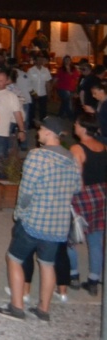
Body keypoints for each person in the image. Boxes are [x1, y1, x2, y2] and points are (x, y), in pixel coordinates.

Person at [0, 116, 82, 323]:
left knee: (14, 259)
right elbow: (77, 188)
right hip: (58, 224)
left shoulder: (37, 156)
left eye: (41, 129)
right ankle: (43, 309)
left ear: (50, 133)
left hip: (34, 221)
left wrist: (19, 214)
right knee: (47, 264)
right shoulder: (71, 158)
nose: (38, 133)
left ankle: (17, 307)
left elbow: (26, 191)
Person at [70, 116, 106, 297]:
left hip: (83, 196)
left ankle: (73, 275)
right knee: (96, 239)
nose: (74, 126)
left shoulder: (77, 149)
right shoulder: (103, 147)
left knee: (71, 237)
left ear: (83, 128)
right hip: (101, 194)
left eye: (76, 124)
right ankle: (93, 280)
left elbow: (76, 177)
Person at [0, 70, 25, 177]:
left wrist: (21, 130)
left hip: (1, 133)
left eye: (1, 80)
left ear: (7, 81)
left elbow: (17, 115)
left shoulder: (11, 96)